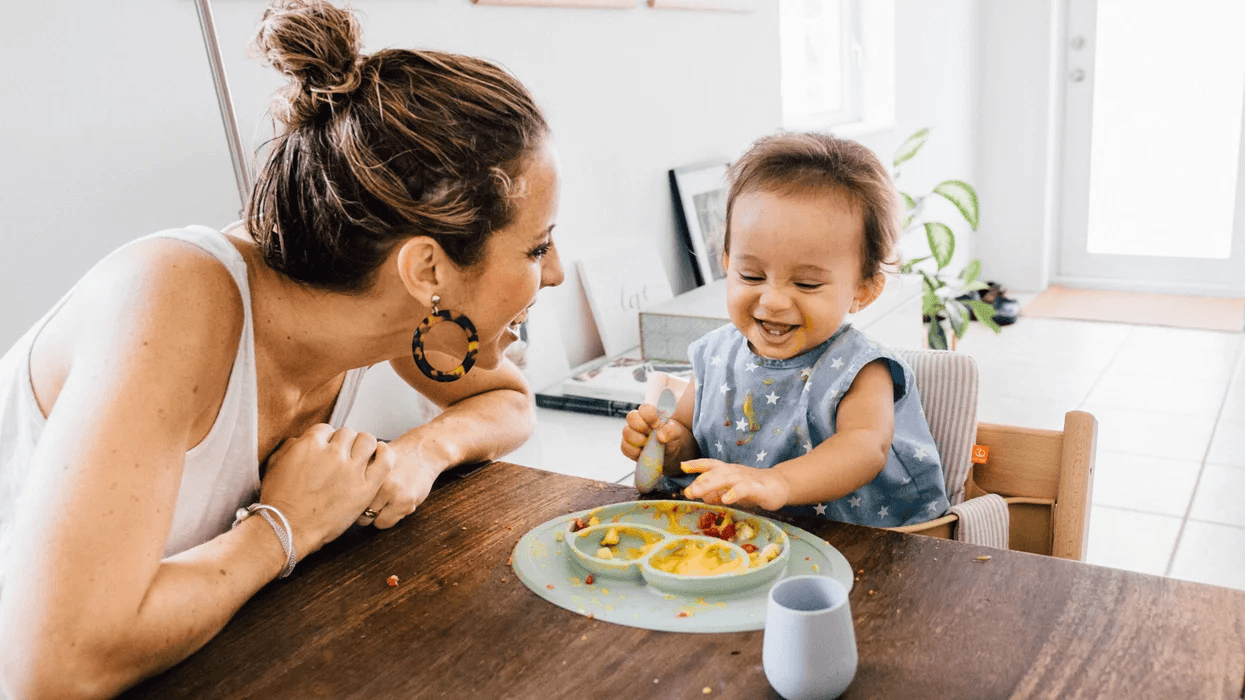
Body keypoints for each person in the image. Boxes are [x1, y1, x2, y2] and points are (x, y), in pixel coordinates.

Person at [0, 1, 564, 697]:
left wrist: (422, 454)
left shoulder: (378, 310)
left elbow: (507, 401)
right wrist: (284, 527)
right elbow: (51, 669)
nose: (558, 272)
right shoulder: (169, 299)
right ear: (426, 272)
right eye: (537, 246)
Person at [620, 132, 949, 528]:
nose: (773, 300)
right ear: (727, 262)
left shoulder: (860, 369)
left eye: (806, 284)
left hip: (856, 544)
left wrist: (778, 482)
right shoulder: (714, 355)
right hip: (745, 540)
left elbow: (864, 447)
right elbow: (689, 435)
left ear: (863, 289)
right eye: (751, 274)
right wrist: (667, 445)